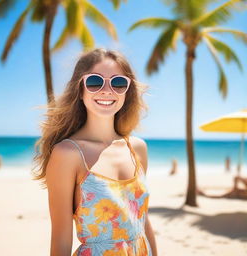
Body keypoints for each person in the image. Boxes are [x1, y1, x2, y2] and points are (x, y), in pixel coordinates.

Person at [32, 48, 158, 256]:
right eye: (94, 82)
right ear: (80, 90)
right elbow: (61, 241)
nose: (107, 90)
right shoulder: (67, 153)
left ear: (127, 92)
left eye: (118, 83)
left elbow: (142, 221)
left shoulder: (137, 148)